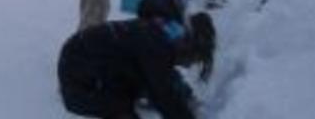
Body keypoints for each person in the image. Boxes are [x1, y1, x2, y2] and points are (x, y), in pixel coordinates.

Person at [57, 10, 216, 119]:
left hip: (92, 63)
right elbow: (164, 95)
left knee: (142, 83)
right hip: (79, 78)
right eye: (194, 59)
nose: (188, 65)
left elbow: (166, 79)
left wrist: (185, 99)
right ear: (190, 44)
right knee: (121, 106)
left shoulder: (162, 33)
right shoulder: (156, 46)